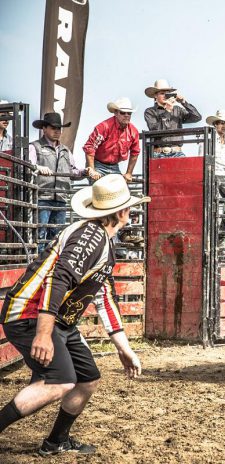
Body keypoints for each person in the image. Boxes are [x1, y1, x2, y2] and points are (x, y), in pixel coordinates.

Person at [0, 174, 147, 455]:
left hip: (56, 320)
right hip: (31, 314)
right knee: (61, 380)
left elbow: (103, 296)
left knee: (87, 378)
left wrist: (124, 349)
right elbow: (59, 279)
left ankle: (56, 441)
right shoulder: (92, 236)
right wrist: (43, 333)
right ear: (123, 211)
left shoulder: (99, 239)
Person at [29, 113, 87, 252]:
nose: (57, 131)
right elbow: (28, 166)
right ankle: (38, 263)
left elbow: (72, 172)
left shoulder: (65, 150)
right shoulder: (35, 147)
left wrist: (84, 172)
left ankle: (50, 264)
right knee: (40, 234)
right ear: (44, 128)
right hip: (42, 197)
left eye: (59, 128)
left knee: (56, 235)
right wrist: (37, 168)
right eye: (53, 128)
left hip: (60, 198)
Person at [83, 97, 140, 183]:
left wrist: (129, 173)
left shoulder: (133, 131)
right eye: (123, 112)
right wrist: (92, 169)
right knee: (99, 190)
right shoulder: (104, 127)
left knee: (120, 192)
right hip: (98, 164)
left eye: (129, 113)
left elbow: (135, 153)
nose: (126, 115)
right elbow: (90, 147)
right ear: (116, 113)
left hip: (114, 166)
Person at [143, 79, 201, 158]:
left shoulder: (177, 109)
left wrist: (183, 102)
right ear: (155, 96)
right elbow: (155, 130)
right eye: (162, 93)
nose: (165, 95)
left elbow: (197, 117)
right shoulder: (150, 111)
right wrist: (167, 111)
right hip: (158, 153)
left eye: (167, 93)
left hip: (177, 152)